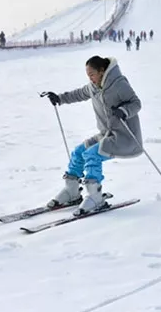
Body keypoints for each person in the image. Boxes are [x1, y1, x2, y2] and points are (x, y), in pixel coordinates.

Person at [43, 56, 143, 216]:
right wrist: (60, 98)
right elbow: (78, 94)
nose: (90, 78)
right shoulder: (93, 87)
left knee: (92, 155)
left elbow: (136, 103)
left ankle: (95, 197)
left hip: (125, 138)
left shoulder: (119, 84)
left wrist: (124, 111)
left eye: (92, 74)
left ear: (102, 71)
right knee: (78, 152)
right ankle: (72, 192)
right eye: (88, 75)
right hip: (106, 135)